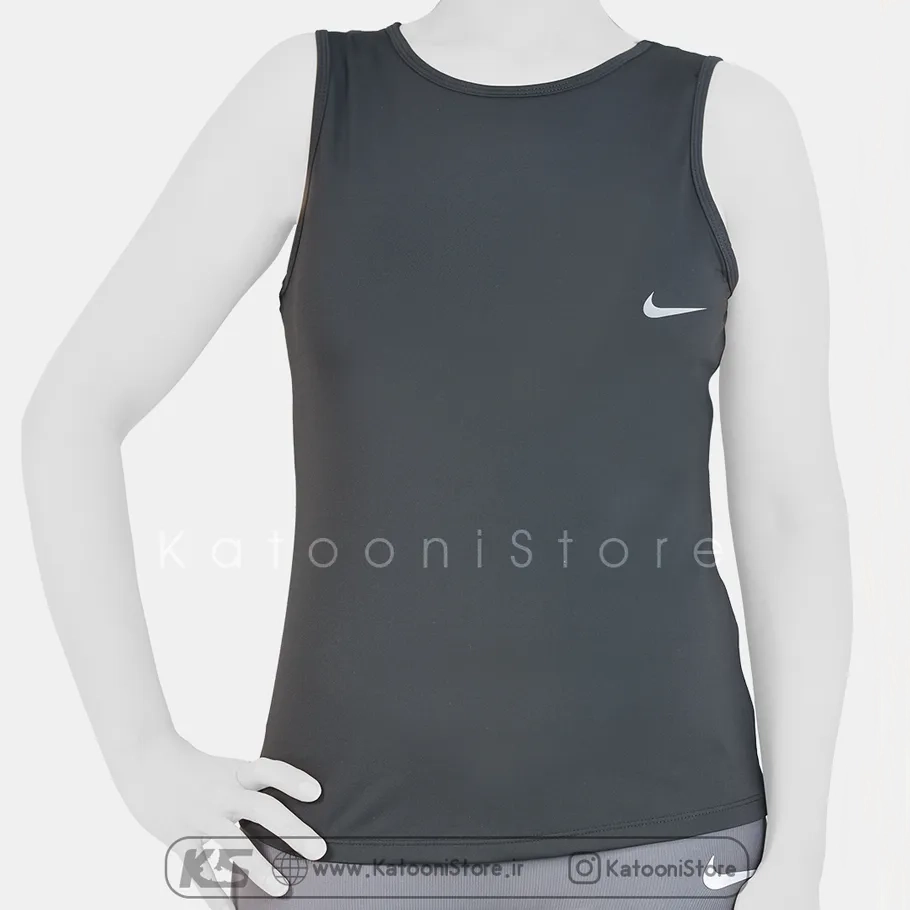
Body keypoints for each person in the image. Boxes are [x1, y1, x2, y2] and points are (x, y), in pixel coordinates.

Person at [21, 1, 852, 908]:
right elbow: (73, 410)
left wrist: (802, 851)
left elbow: (790, 509)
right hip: (340, 851)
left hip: (673, 852)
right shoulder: (309, 98)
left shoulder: (734, 124)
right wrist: (140, 751)